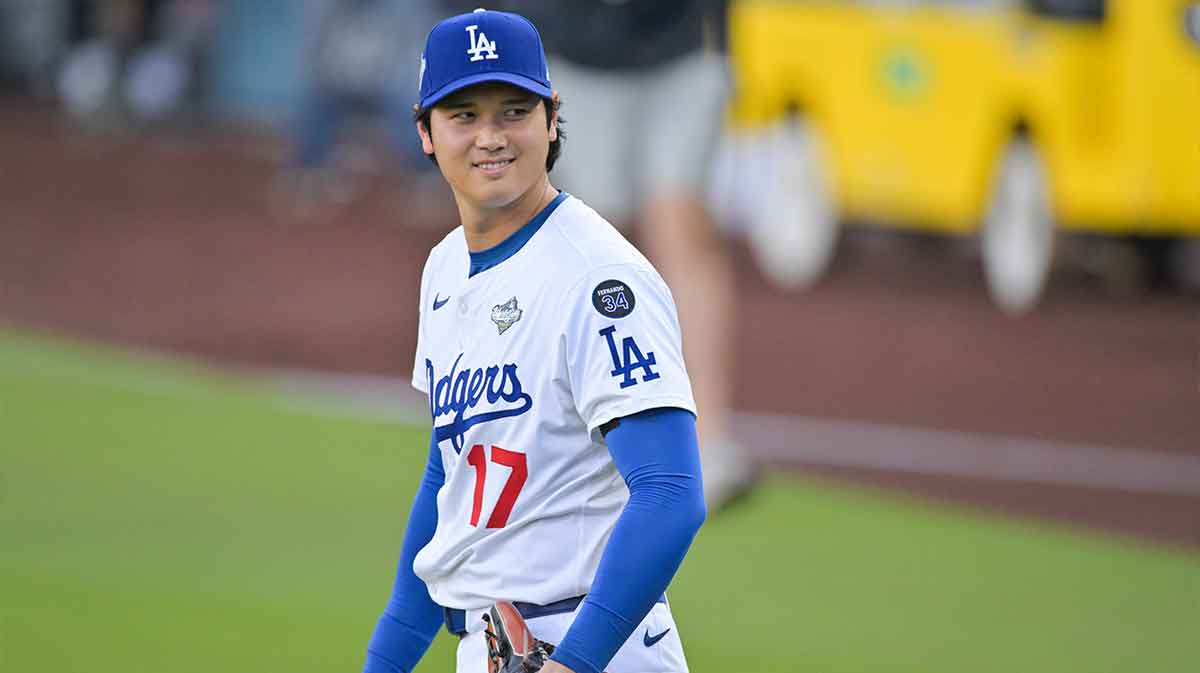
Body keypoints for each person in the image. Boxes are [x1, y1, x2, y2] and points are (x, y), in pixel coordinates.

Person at [362, 9, 706, 673]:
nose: (490, 136)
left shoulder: (600, 278)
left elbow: (670, 492)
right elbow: (449, 481)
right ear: (425, 133)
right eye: (463, 115)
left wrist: (572, 663)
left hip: (594, 646)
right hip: (492, 645)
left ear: (551, 120)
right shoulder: (444, 269)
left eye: (513, 111)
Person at [495, 0, 756, 509]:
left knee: (680, 222)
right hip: (577, 52)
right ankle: (586, 436)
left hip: (683, 46)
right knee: (591, 239)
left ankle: (709, 440)